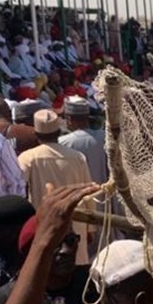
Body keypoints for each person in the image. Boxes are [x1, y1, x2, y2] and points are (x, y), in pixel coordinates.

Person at [18, 110, 93, 264]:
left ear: (36, 133)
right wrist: (90, 227)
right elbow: (89, 193)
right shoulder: (77, 157)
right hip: (76, 224)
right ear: (58, 132)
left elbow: (19, 191)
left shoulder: (28, 158)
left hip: (44, 225)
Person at [58, 96, 108, 185]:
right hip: (107, 193)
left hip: (81, 196)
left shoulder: (62, 143)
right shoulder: (105, 136)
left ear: (69, 119)